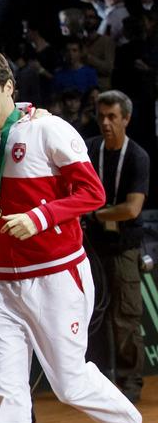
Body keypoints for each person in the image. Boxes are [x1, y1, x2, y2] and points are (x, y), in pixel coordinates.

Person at [0, 52, 150, 423]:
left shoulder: (49, 130)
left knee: (68, 383)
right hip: (5, 285)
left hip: (57, 274)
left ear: (8, 87)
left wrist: (40, 216)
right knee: (5, 390)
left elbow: (93, 194)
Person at [84, 90, 149, 402]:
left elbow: (132, 209)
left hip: (124, 247)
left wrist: (96, 212)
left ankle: (131, 382)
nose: (106, 123)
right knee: (94, 315)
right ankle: (97, 380)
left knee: (125, 317)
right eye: (101, 116)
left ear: (127, 119)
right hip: (93, 247)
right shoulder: (90, 148)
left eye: (112, 117)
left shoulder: (137, 156)